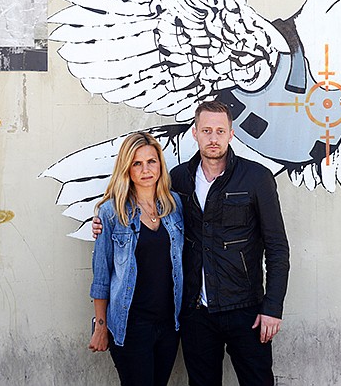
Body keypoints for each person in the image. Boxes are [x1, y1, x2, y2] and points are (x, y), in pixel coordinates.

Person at [93, 101, 290, 386]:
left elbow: (277, 247)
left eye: (220, 131)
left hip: (245, 310)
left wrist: (272, 307)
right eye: (207, 130)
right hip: (196, 315)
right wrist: (101, 222)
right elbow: (136, 213)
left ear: (231, 134)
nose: (213, 138)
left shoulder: (256, 178)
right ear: (195, 133)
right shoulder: (179, 181)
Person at [89, 131, 184, 386]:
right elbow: (101, 275)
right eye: (137, 163)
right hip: (131, 324)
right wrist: (100, 326)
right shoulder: (111, 212)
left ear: (160, 165)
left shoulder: (174, 206)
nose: (146, 170)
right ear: (127, 169)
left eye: (151, 161)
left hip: (168, 325)